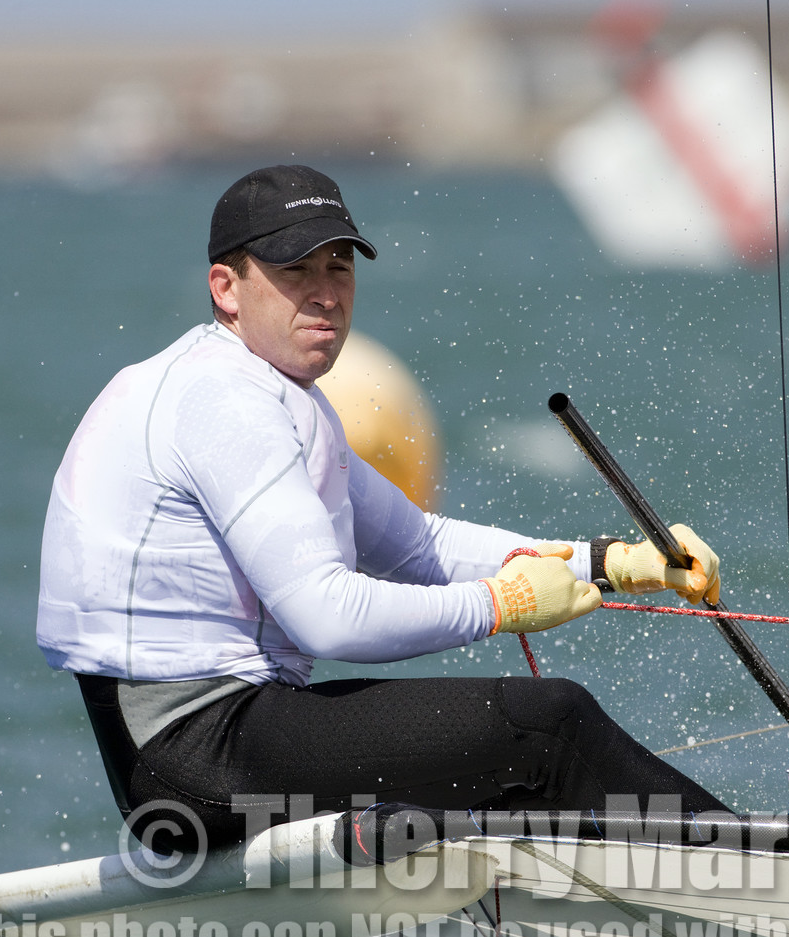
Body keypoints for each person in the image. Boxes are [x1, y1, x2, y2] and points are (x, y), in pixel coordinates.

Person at [37, 164, 730, 854]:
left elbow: (417, 544)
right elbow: (327, 616)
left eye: (338, 268)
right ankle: (762, 870)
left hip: (218, 740)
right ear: (227, 289)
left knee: (512, 787)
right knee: (547, 725)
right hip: (190, 759)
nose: (325, 295)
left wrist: (614, 562)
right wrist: (501, 605)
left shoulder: (275, 396)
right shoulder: (224, 402)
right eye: (294, 271)